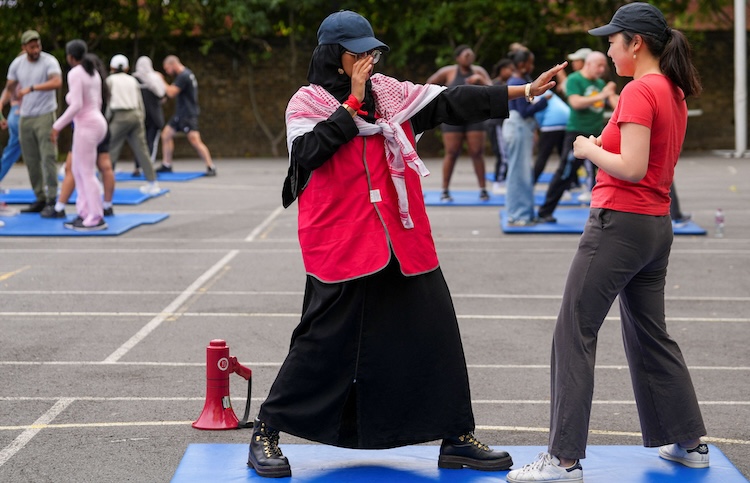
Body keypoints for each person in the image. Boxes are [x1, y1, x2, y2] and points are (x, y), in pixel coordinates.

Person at [247, 10, 566, 479]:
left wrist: (521, 92)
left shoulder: (391, 94)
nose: (369, 61)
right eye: (359, 53)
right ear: (335, 57)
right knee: (321, 342)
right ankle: (266, 433)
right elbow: (308, 154)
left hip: (402, 238)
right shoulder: (307, 102)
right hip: (342, 242)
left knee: (435, 332)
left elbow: (452, 101)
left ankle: (456, 437)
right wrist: (351, 105)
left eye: (371, 52)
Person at [507, 3, 705, 482]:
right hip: (655, 227)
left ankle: (563, 459)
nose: (608, 49)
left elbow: (633, 167)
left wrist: (589, 147)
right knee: (650, 333)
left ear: (635, 42)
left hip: (621, 224)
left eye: (612, 41)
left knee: (573, 331)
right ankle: (689, 442)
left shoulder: (641, 89)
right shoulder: (672, 90)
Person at [537, 51, 618, 223]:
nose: (602, 69)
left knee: (606, 175)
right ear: (588, 64)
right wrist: (603, 94)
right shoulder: (575, 79)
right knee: (565, 172)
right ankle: (545, 211)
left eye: (604, 66)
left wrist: (612, 94)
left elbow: (614, 104)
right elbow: (575, 103)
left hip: (597, 135)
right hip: (577, 134)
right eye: (599, 65)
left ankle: (607, 215)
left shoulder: (601, 83)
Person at [47, 53, 116, 219]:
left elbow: (77, 105)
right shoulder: (98, 82)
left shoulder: (82, 78)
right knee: (103, 167)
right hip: (100, 126)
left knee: (77, 169)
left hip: (86, 129)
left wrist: (57, 126)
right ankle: (106, 205)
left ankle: (63, 206)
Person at [3, 30, 62, 214]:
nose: (36, 49)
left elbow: (57, 81)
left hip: (45, 114)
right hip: (25, 116)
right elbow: (9, 87)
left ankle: (52, 199)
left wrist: (32, 88)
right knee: (31, 160)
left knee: (48, 157)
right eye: (32, 46)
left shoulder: (49, 61)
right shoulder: (17, 64)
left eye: (38, 46)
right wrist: (1, 103)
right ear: (24, 47)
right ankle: (40, 198)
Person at [426, 45, 492, 202]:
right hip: (452, 117)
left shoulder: (479, 71)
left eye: (471, 55)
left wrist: (481, 81)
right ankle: (445, 190)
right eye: (465, 55)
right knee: (451, 152)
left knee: (477, 152)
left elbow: (494, 89)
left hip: (475, 117)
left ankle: (483, 189)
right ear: (457, 58)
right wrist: (441, 101)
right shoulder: (448, 71)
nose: (468, 58)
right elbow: (429, 84)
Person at [504, 49, 549, 226]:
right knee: (519, 172)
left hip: (520, 128)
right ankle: (519, 214)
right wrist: (545, 101)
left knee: (522, 171)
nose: (532, 66)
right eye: (530, 62)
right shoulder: (518, 81)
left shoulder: (516, 80)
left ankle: (525, 212)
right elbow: (523, 111)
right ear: (522, 64)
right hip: (518, 127)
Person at [106, 54, 160, 195]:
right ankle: (152, 182)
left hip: (119, 116)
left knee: (110, 149)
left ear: (111, 67)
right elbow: (139, 101)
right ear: (127, 67)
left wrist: (106, 120)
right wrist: (141, 117)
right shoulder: (132, 80)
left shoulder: (110, 80)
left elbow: (108, 103)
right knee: (142, 150)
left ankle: (103, 183)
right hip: (135, 115)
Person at [157, 55, 216, 176]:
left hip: (187, 114)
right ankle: (166, 164)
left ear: (173, 64)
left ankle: (210, 166)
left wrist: (160, 80)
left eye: (167, 69)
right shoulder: (184, 75)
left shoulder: (184, 76)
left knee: (195, 140)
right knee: (166, 135)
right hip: (180, 114)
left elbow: (171, 92)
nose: (167, 72)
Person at [132, 56, 166, 174]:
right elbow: (162, 94)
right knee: (151, 141)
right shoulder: (155, 78)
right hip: (154, 116)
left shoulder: (133, 79)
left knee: (139, 141)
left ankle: (137, 166)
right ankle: (148, 167)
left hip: (139, 115)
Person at [487, 58, 514, 191]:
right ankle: (499, 181)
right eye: (510, 69)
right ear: (503, 70)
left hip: (504, 123)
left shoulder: (507, 83)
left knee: (506, 153)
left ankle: (503, 179)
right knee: (502, 154)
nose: (512, 72)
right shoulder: (496, 84)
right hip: (496, 123)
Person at [533, 91, 570, 183]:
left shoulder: (535, 93)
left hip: (551, 124)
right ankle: (571, 183)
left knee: (543, 155)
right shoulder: (548, 92)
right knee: (564, 156)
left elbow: (537, 111)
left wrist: (540, 128)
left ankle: (532, 181)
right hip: (567, 122)